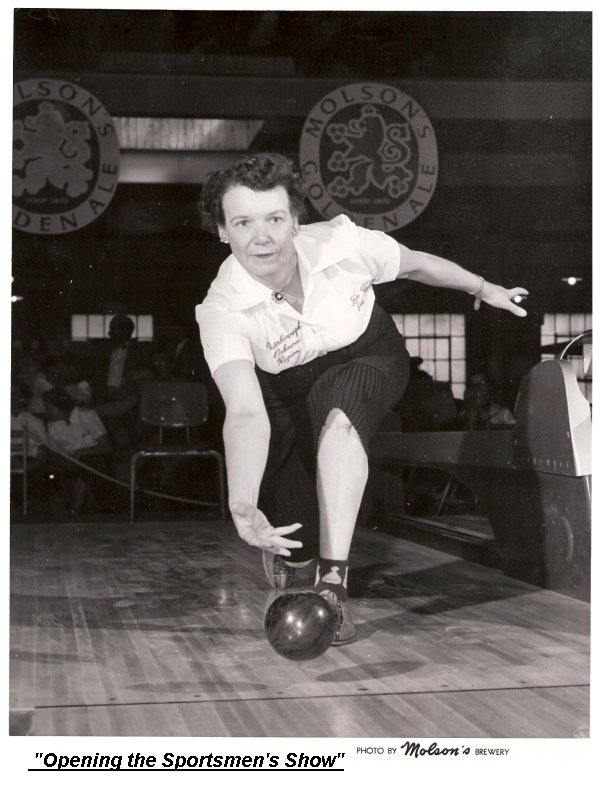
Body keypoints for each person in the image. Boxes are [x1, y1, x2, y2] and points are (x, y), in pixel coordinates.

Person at [195, 152, 528, 645]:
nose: (261, 236)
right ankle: (304, 554)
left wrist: (483, 287)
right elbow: (245, 412)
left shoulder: (342, 242)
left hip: (368, 353)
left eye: (274, 219)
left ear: (294, 220)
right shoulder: (221, 309)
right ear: (223, 231)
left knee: (341, 421)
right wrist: (241, 500)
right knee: (295, 535)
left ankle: (333, 585)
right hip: (286, 390)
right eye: (243, 222)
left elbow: (418, 265)